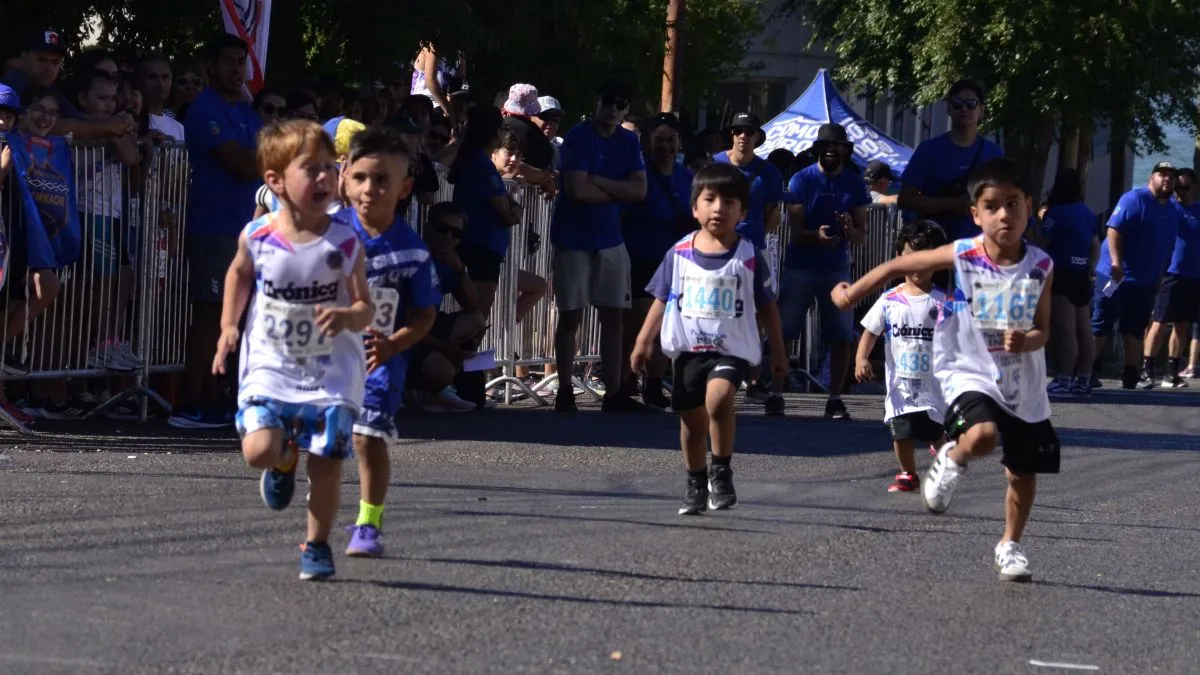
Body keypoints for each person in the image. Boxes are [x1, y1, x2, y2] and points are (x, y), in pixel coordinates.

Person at [833, 157, 1059, 583]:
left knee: (1022, 472)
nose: (1004, 215)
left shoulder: (1041, 266)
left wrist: (1027, 340)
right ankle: (953, 458)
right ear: (976, 214)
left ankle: (1010, 545)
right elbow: (897, 266)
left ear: (1029, 207)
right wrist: (851, 294)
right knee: (983, 435)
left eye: (1013, 204)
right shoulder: (965, 253)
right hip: (969, 368)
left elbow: (1043, 328)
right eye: (992, 206)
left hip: (1021, 378)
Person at [213, 119, 374, 580]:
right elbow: (239, 273)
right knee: (258, 451)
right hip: (273, 363)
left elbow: (365, 307)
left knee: (326, 464)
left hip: (331, 370)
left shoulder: (345, 241)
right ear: (276, 181)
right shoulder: (257, 235)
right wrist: (228, 326)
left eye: (330, 167)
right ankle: (283, 459)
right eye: (311, 168)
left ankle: (316, 544)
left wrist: (347, 316)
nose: (325, 177)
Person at [631, 162, 786, 515]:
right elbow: (661, 298)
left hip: (730, 350)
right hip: (689, 350)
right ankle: (696, 481)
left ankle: (721, 470)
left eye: (729, 202)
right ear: (694, 208)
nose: (719, 208)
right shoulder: (679, 252)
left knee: (718, 400)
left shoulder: (749, 255)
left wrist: (778, 351)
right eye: (710, 199)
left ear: (743, 212)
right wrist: (643, 342)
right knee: (691, 421)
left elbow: (767, 306)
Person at [340, 127, 439, 558]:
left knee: (368, 437)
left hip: (378, 357)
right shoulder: (325, 232)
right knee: (315, 435)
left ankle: (369, 522)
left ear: (405, 188)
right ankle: (285, 459)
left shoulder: (413, 251)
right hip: (322, 354)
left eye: (383, 180)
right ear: (344, 177)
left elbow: (425, 315)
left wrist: (394, 346)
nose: (370, 189)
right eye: (361, 177)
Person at [174, 34, 263, 429]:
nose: (236, 69)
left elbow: (261, 156)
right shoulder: (204, 108)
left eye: (240, 62)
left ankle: (213, 397)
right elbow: (242, 164)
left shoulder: (244, 110)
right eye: (228, 61)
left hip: (244, 226)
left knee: (234, 315)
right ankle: (189, 402)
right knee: (210, 313)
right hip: (213, 224)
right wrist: (273, 153)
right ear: (211, 66)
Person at [550, 78, 647, 413]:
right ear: (597, 102)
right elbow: (577, 190)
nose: (613, 110)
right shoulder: (579, 135)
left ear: (627, 109)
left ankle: (614, 392)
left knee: (614, 316)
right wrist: (618, 190)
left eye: (621, 104)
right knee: (571, 315)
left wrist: (600, 182)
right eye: (608, 102)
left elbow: (640, 190)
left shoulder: (628, 140)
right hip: (574, 237)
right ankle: (564, 388)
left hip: (610, 238)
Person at [774, 123, 870, 420]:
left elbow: (861, 236)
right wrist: (816, 236)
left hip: (836, 268)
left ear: (844, 150)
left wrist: (848, 229)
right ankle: (776, 393)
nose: (830, 150)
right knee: (784, 330)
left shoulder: (855, 183)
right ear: (816, 149)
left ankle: (835, 398)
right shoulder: (801, 179)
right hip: (800, 265)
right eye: (824, 146)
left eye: (836, 145)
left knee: (841, 335)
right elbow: (795, 231)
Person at [854, 220, 949, 493]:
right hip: (900, 385)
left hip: (933, 385)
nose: (918, 266)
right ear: (899, 260)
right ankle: (908, 473)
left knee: (934, 430)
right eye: (911, 258)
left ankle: (945, 464)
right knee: (901, 430)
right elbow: (871, 331)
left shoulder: (943, 301)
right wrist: (861, 359)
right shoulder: (890, 300)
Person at [621, 113, 694, 410]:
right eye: (659, 140)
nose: (665, 146)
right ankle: (627, 380)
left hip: (675, 260)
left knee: (667, 325)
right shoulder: (639, 174)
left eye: (671, 140)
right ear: (649, 143)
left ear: (679, 143)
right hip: (639, 257)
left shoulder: (688, 177)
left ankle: (653, 384)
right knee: (637, 324)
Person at [1092, 162, 1180, 389]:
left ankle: (1130, 372)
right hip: (1114, 277)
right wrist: (1116, 262)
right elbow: (1114, 230)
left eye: (1171, 176)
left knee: (1135, 325)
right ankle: (1085, 369)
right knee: (1102, 320)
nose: (1167, 179)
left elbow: (1167, 246)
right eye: (1162, 174)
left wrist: (1159, 276)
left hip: (1145, 281)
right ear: (1151, 177)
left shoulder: (1172, 210)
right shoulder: (1134, 199)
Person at [899, 79, 1003, 240]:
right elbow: (906, 199)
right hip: (934, 243)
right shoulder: (929, 150)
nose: (964, 109)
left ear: (981, 110)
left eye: (971, 104)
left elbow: (1003, 198)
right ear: (949, 108)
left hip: (979, 245)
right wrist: (954, 204)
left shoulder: (993, 153)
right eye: (957, 104)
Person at [410, 202, 488, 410]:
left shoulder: (446, 261)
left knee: (476, 321)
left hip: (427, 331)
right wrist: (447, 349)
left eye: (456, 234)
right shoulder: (413, 259)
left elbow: (472, 305)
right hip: (404, 340)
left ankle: (441, 387)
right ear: (428, 228)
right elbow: (406, 324)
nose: (448, 238)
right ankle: (417, 390)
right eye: (442, 230)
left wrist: (459, 269)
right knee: (443, 371)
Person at [1036, 169, 1098, 397]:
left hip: (1061, 271)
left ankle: (1064, 379)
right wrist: (1090, 268)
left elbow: (1041, 239)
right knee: (1084, 328)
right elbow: (1095, 245)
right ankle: (1084, 379)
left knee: (1066, 328)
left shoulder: (1057, 212)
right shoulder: (1088, 213)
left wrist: (1038, 219)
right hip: (1081, 272)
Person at [1140, 167, 1200, 389]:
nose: (1181, 192)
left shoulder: (1198, 210)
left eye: (1185, 187)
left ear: (1195, 188)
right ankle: (1147, 370)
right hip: (1170, 273)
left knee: (1182, 325)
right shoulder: (1169, 207)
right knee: (1159, 321)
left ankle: (1171, 373)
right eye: (1178, 187)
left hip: (1193, 276)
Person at [711, 112, 782, 251]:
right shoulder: (713, 164)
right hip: (716, 247)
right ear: (732, 134)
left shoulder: (770, 173)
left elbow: (773, 216)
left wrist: (754, 235)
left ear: (757, 136)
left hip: (753, 249)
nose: (743, 135)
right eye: (738, 131)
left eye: (749, 132)